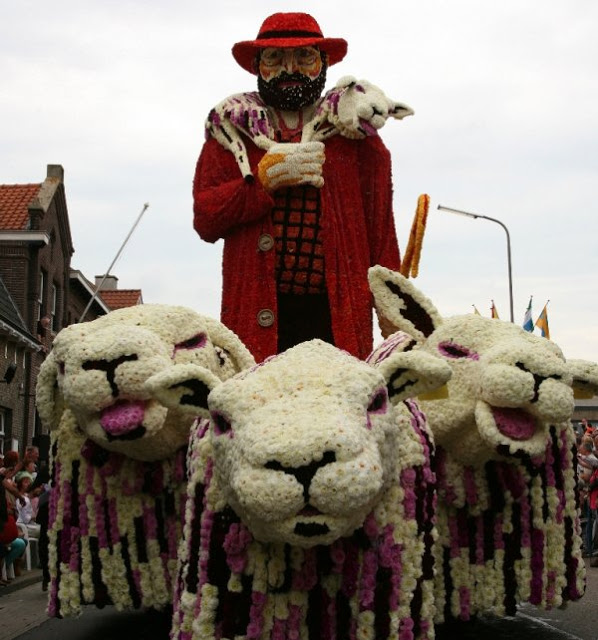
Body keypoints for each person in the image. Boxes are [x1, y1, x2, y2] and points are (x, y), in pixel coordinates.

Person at [193, 12, 404, 362]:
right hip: (255, 314)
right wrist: (261, 182)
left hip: (339, 317)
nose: (289, 69)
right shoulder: (232, 133)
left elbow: (382, 235)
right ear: (257, 66)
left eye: (303, 57)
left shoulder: (356, 137)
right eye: (274, 59)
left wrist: (394, 314)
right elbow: (206, 217)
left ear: (323, 63)